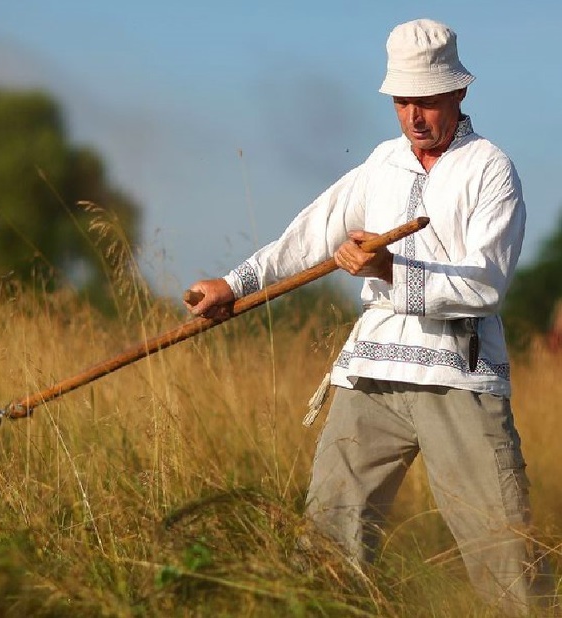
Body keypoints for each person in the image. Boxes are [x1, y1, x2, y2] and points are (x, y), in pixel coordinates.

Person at [185, 18, 554, 614]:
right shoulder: (381, 164)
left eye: (428, 100)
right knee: (328, 543)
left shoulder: (491, 169)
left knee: (504, 556)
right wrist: (233, 284)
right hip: (370, 374)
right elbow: (310, 234)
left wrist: (386, 269)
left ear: (459, 93)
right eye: (403, 100)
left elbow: (485, 285)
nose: (414, 116)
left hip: (457, 378)